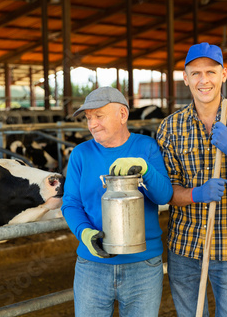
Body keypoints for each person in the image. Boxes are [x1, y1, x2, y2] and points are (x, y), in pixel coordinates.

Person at [156, 42, 227, 316]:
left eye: (211, 72)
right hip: (184, 248)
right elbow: (167, 192)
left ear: (224, 74)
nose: (204, 80)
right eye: (196, 73)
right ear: (185, 78)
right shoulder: (170, 128)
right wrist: (196, 194)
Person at [61, 86, 173, 317]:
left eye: (99, 116)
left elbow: (164, 196)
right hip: (92, 264)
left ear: (122, 115)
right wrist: (85, 234)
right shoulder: (80, 154)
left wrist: (145, 169)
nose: (92, 124)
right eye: (89, 118)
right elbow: (70, 203)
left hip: (143, 264)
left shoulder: (146, 147)